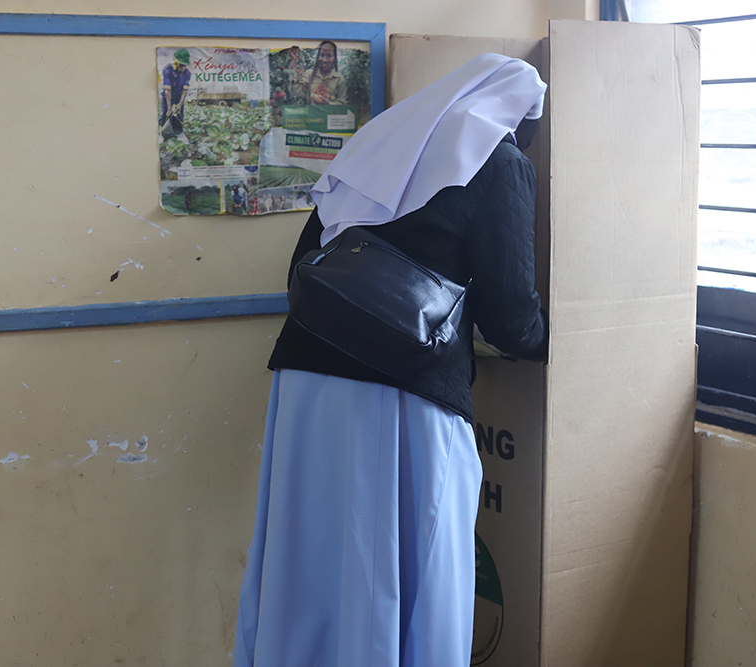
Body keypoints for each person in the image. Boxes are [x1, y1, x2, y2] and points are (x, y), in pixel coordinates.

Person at [233, 53, 548, 667]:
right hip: (403, 393)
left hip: (305, 384)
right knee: (409, 558)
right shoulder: (500, 161)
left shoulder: (374, 148)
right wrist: (565, 342)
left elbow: (304, 270)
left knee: (312, 551)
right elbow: (513, 319)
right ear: (518, 117)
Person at [289, 41, 348, 105]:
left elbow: (342, 103)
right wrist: (294, 63)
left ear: (334, 58)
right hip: (312, 114)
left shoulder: (339, 79)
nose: (325, 60)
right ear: (318, 56)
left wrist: (328, 103)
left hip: (330, 114)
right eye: (322, 55)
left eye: (329, 55)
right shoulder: (310, 75)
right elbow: (295, 92)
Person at [160, 48, 192, 136]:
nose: (183, 68)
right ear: (175, 63)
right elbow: (167, 91)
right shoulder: (167, 70)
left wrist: (180, 104)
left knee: (180, 113)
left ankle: (179, 132)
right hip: (167, 96)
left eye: (184, 65)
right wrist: (169, 109)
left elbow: (184, 91)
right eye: (181, 65)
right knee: (165, 113)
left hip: (178, 96)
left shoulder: (187, 73)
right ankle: (162, 131)